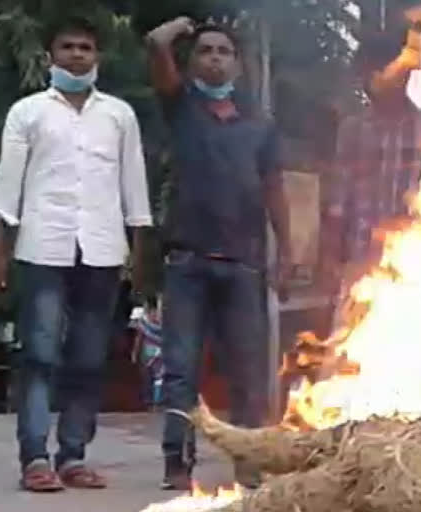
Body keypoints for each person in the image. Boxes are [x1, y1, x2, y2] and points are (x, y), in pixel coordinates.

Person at [0, 16, 152, 492]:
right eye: (68, 46)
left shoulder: (118, 115)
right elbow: (7, 186)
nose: (77, 55)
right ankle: (35, 458)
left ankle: (74, 456)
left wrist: (140, 251)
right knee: (38, 354)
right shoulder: (28, 112)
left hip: (101, 250)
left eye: (85, 47)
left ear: (97, 57)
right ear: (51, 56)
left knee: (89, 357)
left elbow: (133, 186)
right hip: (42, 247)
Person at [146, 16, 293, 490]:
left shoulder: (260, 124)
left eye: (223, 52)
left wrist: (287, 250)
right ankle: (177, 460)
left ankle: (247, 460)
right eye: (205, 51)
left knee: (248, 371)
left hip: (244, 263)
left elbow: (275, 190)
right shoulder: (181, 107)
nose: (214, 58)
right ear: (192, 63)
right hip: (187, 261)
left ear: (238, 65)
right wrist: (177, 29)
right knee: (181, 369)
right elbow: (155, 44)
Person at [321, 1, 421, 316]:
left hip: (413, 262)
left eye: (383, 68)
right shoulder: (352, 128)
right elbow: (338, 200)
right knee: (349, 349)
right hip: (361, 259)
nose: (376, 79)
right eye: (368, 72)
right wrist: (331, 257)